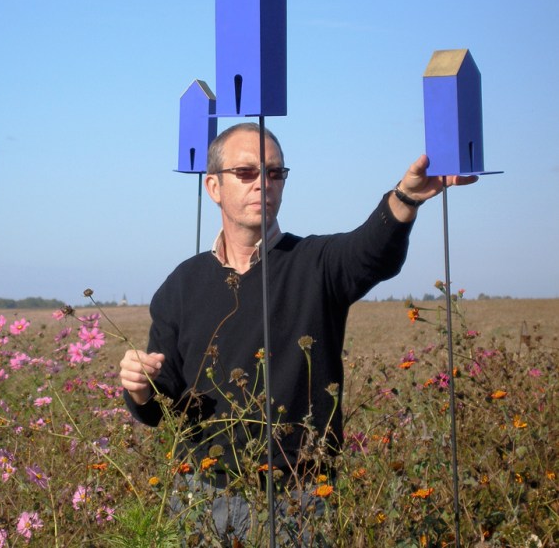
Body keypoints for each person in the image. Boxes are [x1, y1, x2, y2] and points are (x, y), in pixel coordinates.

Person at [119, 122, 477, 544]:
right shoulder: (182, 284)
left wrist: (406, 197)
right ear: (213, 186)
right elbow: (165, 402)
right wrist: (140, 387)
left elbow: (371, 251)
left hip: (301, 500)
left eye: (275, 173)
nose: (263, 185)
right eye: (247, 173)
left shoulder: (316, 264)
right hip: (200, 497)